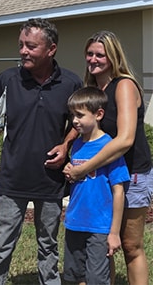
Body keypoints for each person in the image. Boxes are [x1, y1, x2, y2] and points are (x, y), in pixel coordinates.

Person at [0, 18, 82, 285]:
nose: (23, 51)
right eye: (21, 45)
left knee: (48, 244)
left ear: (51, 49)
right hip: (13, 178)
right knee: (2, 244)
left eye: (31, 46)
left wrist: (65, 145)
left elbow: (79, 122)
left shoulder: (70, 83)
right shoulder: (8, 79)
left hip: (50, 180)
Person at [63, 30, 153, 285]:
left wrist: (84, 169)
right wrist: (66, 144)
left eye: (100, 54)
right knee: (104, 240)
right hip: (103, 172)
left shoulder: (123, 85)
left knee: (130, 245)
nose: (93, 59)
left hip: (133, 173)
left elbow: (125, 139)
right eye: (89, 54)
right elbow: (83, 121)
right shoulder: (92, 88)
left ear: (113, 57)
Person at [63, 87, 130, 285]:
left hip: (99, 226)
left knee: (97, 279)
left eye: (80, 115)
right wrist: (69, 168)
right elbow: (80, 175)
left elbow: (119, 191)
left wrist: (114, 232)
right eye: (72, 115)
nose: (74, 120)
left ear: (98, 114)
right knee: (77, 276)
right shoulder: (77, 145)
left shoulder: (109, 147)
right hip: (74, 222)